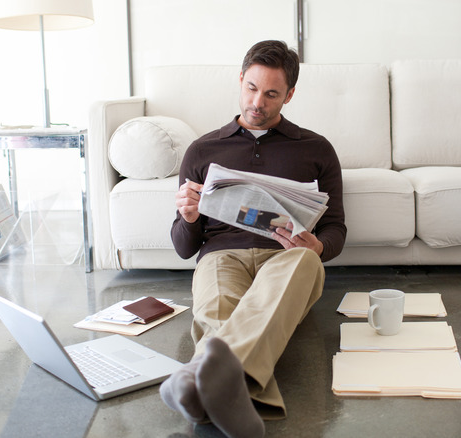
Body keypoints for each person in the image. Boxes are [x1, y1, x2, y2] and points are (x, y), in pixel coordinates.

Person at [161, 40, 346, 438]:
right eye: (251, 88)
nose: (257, 102)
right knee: (218, 306)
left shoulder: (316, 149)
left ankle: (196, 383)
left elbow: (336, 229)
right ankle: (233, 393)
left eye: (271, 93)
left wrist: (319, 246)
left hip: (287, 257)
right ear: (240, 80)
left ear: (290, 95)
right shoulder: (203, 149)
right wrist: (189, 216)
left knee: (302, 264)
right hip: (221, 254)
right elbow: (183, 247)